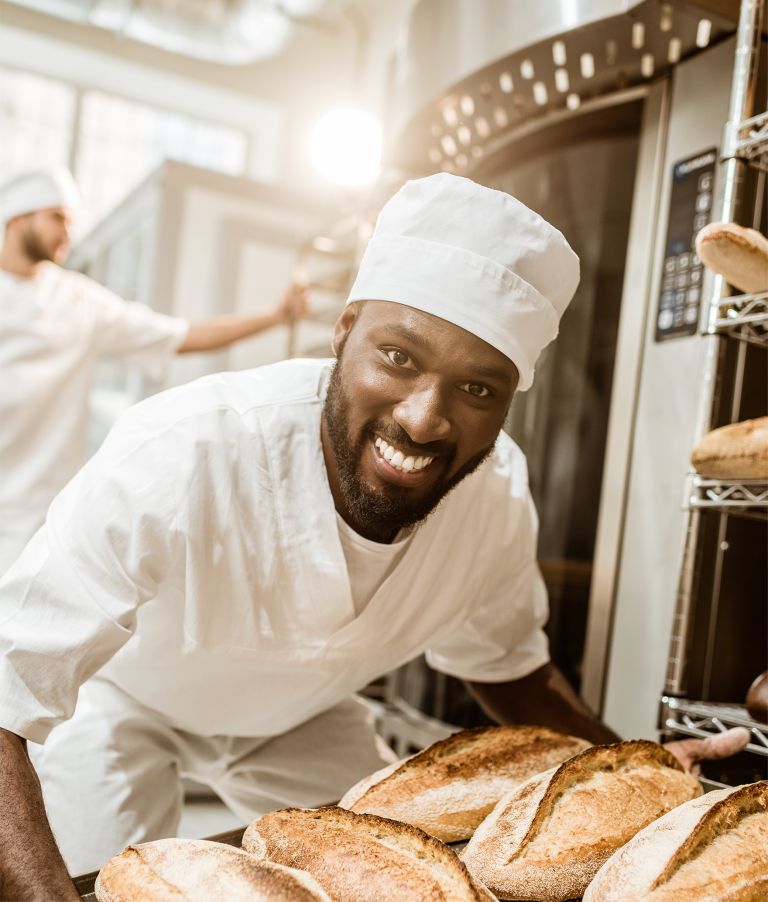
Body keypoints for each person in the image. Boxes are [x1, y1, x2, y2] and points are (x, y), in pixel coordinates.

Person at [0, 173, 746, 899]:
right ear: (344, 330)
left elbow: (507, 668)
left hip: (299, 719)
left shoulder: (493, 502)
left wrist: (637, 765)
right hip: (121, 703)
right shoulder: (186, 450)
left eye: (477, 388)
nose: (423, 420)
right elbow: (6, 690)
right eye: (399, 358)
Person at [0, 167, 308, 576]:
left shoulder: (78, 301)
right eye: (57, 217)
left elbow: (182, 335)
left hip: (40, 520)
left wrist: (275, 316)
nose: (68, 232)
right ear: (18, 217)